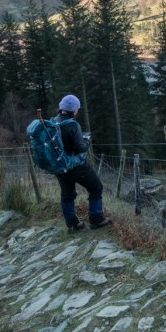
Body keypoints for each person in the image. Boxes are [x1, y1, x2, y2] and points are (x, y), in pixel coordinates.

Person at [54, 94, 111, 233]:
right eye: (77, 109)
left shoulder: (53, 122)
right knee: (96, 187)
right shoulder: (72, 124)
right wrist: (87, 140)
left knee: (67, 194)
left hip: (59, 166)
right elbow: (80, 148)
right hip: (75, 166)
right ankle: (96, 220)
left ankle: (72, 224)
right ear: (73, 110)